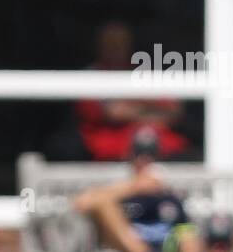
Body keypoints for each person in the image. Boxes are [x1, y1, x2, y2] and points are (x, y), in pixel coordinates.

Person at [72, 127, 199, 252]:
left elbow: (185, 231)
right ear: (130, 155)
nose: (144, 159)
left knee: (188, 234)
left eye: (151, 153)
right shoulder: (122, 189)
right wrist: (134, 187)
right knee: (104, 205)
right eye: (139, 153)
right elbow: (81, 204)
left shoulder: (168, 196)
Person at [75, 20, 190, 161]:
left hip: (159, 147)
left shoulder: (143, 71)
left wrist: (131, 104)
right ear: (99, 45)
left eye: (121, 42)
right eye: (110, 42)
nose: (116, 47)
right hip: (109, 152)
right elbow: (114, 113)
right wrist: (150, 105)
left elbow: (173, 111)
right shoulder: (91, 76)